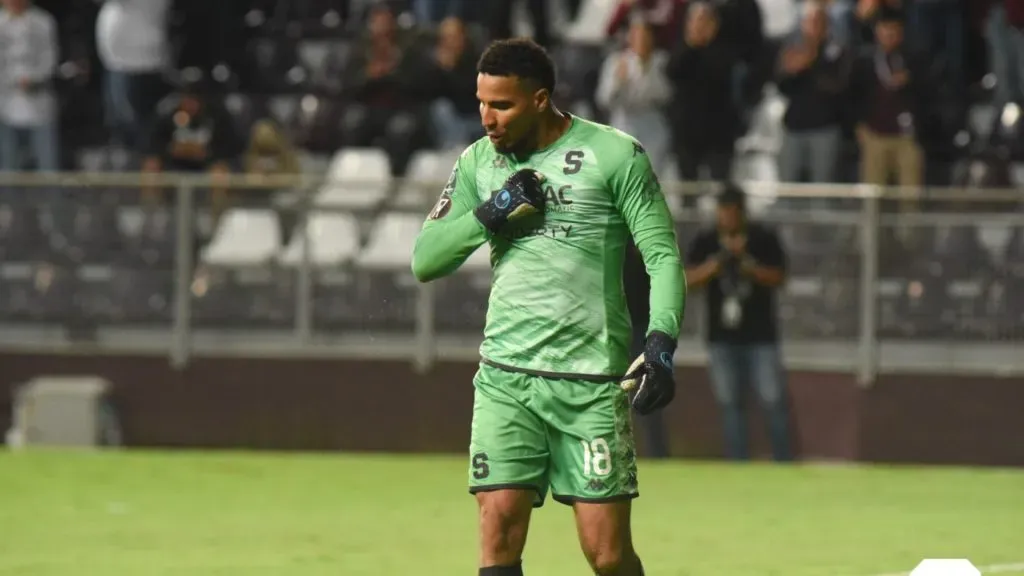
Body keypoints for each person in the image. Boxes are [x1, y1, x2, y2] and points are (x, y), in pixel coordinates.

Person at [411, 38, 685, 576]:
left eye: (503, 105)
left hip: (589, 382)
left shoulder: (615, 155)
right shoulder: (478, 163)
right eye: (482, 103)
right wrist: (495, 210)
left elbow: (663, 257)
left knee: (606, 555)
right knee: (499, 529)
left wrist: (660, 344)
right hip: (506, 379)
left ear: (540, 99)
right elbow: (426, 259)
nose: (488, 119)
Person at [684, 184, 791, 462]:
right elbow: (687, 279)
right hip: (722, 337)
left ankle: (783, 460)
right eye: (723, 212)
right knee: (729, 403)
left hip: (760, 336)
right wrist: (717, 263)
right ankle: (737, 461)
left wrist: (749, 266)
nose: (727, 218)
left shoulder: (762, 238)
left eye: (732, 212)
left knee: (772, 400)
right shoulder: (707, 240)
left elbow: (779, 277)